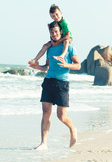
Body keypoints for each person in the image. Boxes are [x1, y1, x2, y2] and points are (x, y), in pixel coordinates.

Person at [29, 21, 81, 150]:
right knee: (46, 112)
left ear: (60, 32)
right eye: (52, 32)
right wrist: (37, 67)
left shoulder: (68, 47)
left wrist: (66, 65)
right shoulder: (49, 48)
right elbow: (47, 66)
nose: (54, 34)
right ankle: (43, 143)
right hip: (48, 81)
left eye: (56, 31)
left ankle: (73, 129)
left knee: (61, 116)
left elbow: (78, 65)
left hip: (62, 83)